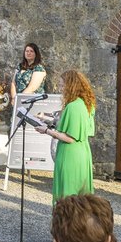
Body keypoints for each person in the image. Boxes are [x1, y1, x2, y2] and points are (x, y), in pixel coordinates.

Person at [36, 69, 97, 202]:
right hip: (82, 152)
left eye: (62, 85)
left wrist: (46, 131)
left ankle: (66, 216)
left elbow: (70, 138)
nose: (60, 88)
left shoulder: (73, 107)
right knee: (81, 197)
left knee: (68, 193)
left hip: (70, 154)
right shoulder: (87, 104)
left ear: (71, 86)